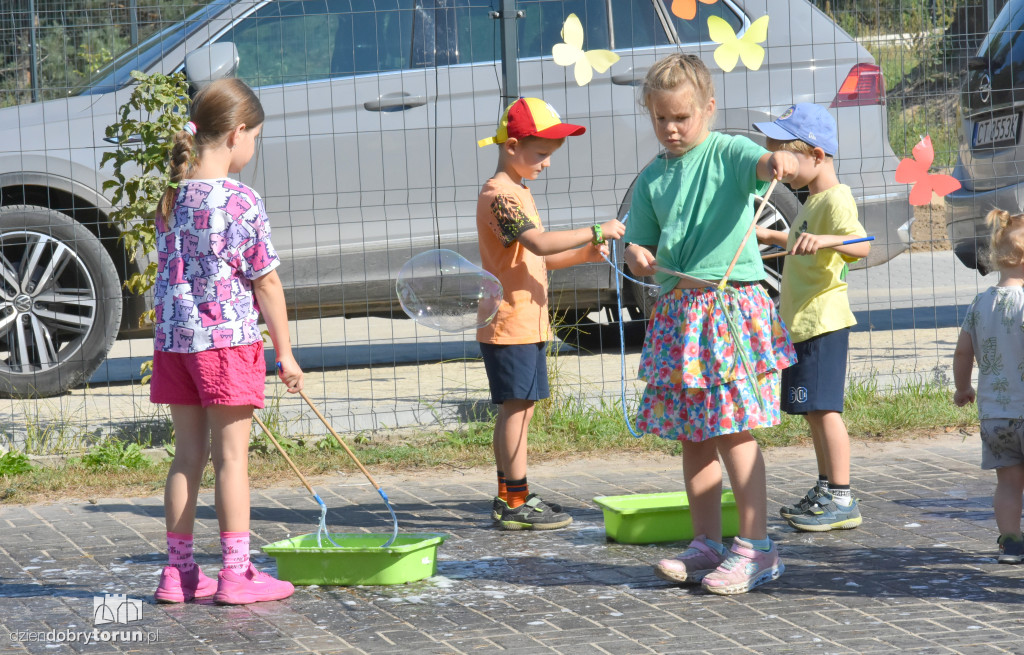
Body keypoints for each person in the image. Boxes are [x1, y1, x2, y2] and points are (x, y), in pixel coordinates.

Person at [622, 54, 799, 595]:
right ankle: (706, 543)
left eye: (682, 117)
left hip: (727, 312)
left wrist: (778, 162)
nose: (672, 129)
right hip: (679, 316)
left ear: (709, 109)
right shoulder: (654, 177)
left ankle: (757, 547)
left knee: (731, 430)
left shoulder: (726, 150)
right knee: (692, 436)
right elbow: (639, 241)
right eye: (661, 119)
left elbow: (761, 163)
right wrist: (635, 255)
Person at [150, 78, 304, 605]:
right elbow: (266, 282)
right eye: (255, 136)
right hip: (226, 344)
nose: (254, 146)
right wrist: (284, 353)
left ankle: (179, 574)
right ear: (238, 133)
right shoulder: (240, 201)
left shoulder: (170, 196)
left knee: (186, 456)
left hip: (174, 343)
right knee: (232, 459)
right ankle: (236, 574)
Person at [476, 97, 625, 530]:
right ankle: (515, 501)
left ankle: (511, 495)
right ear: (512, 146)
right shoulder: (499, 196)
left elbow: (534, 258)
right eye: (540, 155)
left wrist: (582, 254)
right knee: (516, 410)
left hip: (527, 321)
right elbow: (539, 243)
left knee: (518, 409)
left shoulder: (518, 191)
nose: (545, 164)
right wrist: (598, 229)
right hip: (511, 323)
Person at [752, 103, 871, 532]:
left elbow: (861, 246)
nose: (779, 167)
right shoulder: (812, 198)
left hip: (823, 322)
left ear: (816, 155)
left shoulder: (835, 198)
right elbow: (803, 240)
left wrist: (829, 239)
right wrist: (773, 234)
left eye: (786, 154)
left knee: (825, 411)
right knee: (812, 412)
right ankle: (826, 488)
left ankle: (842, 496)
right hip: (803, 323)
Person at [953, 208, 1024, 565]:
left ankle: (1011, 544)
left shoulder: (981, 303)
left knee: (1008, 484)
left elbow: (963, 352)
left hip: (995, 416)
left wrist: (962, 388)